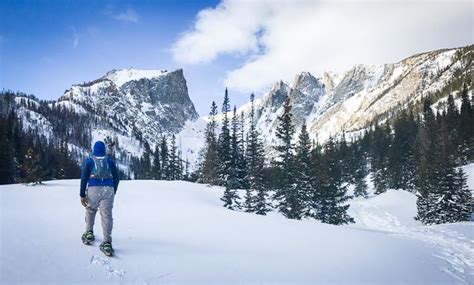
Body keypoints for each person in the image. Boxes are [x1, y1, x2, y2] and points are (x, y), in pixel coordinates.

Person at [80, 141, 120, 256]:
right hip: (108, 189)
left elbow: (84, 178)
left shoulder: (89, 161)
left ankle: (89, 233)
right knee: (106, 215)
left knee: (91, 210)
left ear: (94, 149)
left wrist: (82, 194)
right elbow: (117, 177)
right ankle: (107, 242)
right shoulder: (110, 161)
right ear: (104, 150)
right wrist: (114, 190)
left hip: (93, 188)